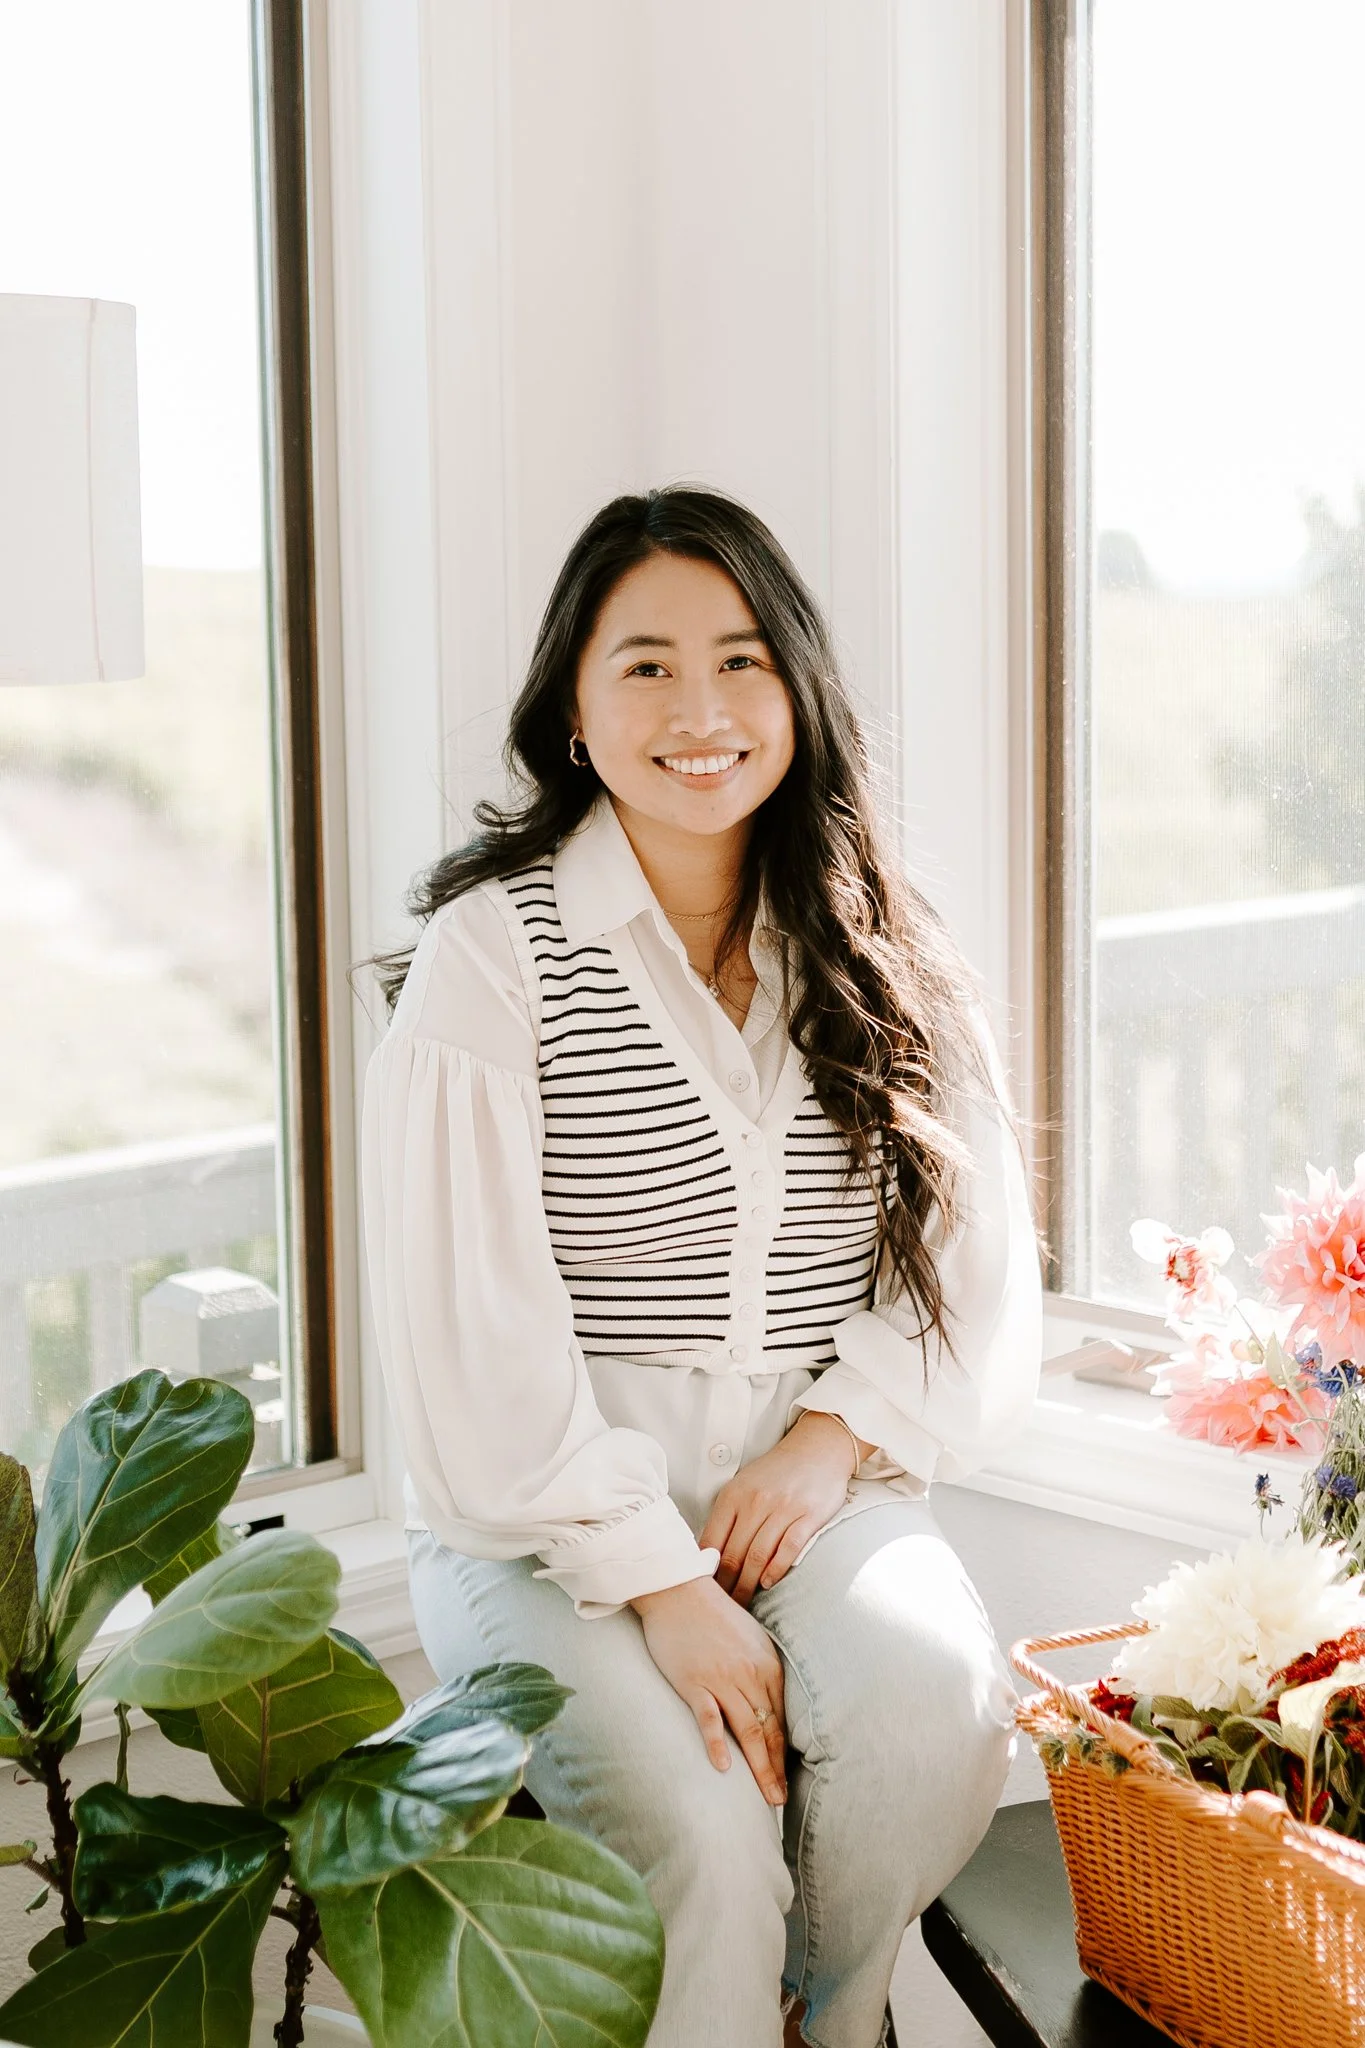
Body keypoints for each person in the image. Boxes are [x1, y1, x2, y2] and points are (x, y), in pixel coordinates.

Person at [361, 484, 1042, 2048]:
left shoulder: (878, 935)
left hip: (814, 1480)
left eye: (740, 660)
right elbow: (473, 1352)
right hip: (538, 1518)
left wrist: (832, 1437)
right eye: (646, 665)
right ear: (575, 711)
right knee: (707, 1832)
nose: (701, 709)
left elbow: (977, 1249)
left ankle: (834, 2015)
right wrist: (659, 1583)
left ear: (796, 688)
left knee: (933, 1701)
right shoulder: (493, 953)